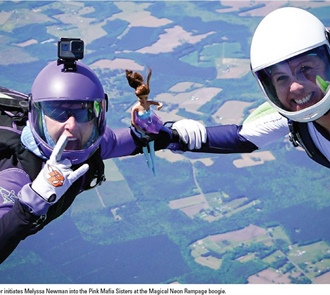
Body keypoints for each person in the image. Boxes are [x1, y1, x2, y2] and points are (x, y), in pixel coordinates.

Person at [0, 55, 204, 263]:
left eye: (83, 113)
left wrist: (175, 134)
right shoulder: (17, 176)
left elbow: (129, 139)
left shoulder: (91, 144)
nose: (71, 125)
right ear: (38, 115)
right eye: (59, 113)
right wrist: (28, 206)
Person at [172, 7, 330, 170]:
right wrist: (169, 136)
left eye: (305, 68)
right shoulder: (295, 120)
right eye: (281, 78)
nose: (295, 87)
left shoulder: (298, 120)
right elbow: (241, 138)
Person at [126, 68, 164, 174]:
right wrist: (142, 130)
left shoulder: (148, 103)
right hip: (141, 128)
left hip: (150, 124)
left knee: (152, 147)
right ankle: (150, 165)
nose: (144, 101)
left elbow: (157, 103)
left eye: (145, 98)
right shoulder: (136, 108)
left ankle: (154, 168)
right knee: (145, 148)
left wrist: (160, 105)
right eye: (141, 99)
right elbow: (133, 122)